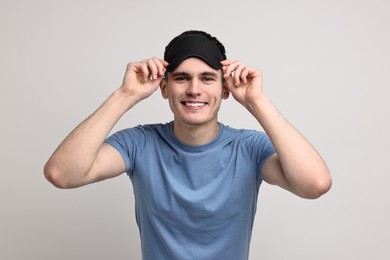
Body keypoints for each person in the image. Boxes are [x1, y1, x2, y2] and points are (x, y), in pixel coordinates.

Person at [44, 30, 332, 259]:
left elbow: (315, 184)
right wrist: (125, 94)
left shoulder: (248, 148)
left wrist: (257, 102)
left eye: (207, 79)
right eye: (182, 78)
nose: (194, 89)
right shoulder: (139, 143)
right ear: (165, 87)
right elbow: (62, 174)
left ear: (225, 88)